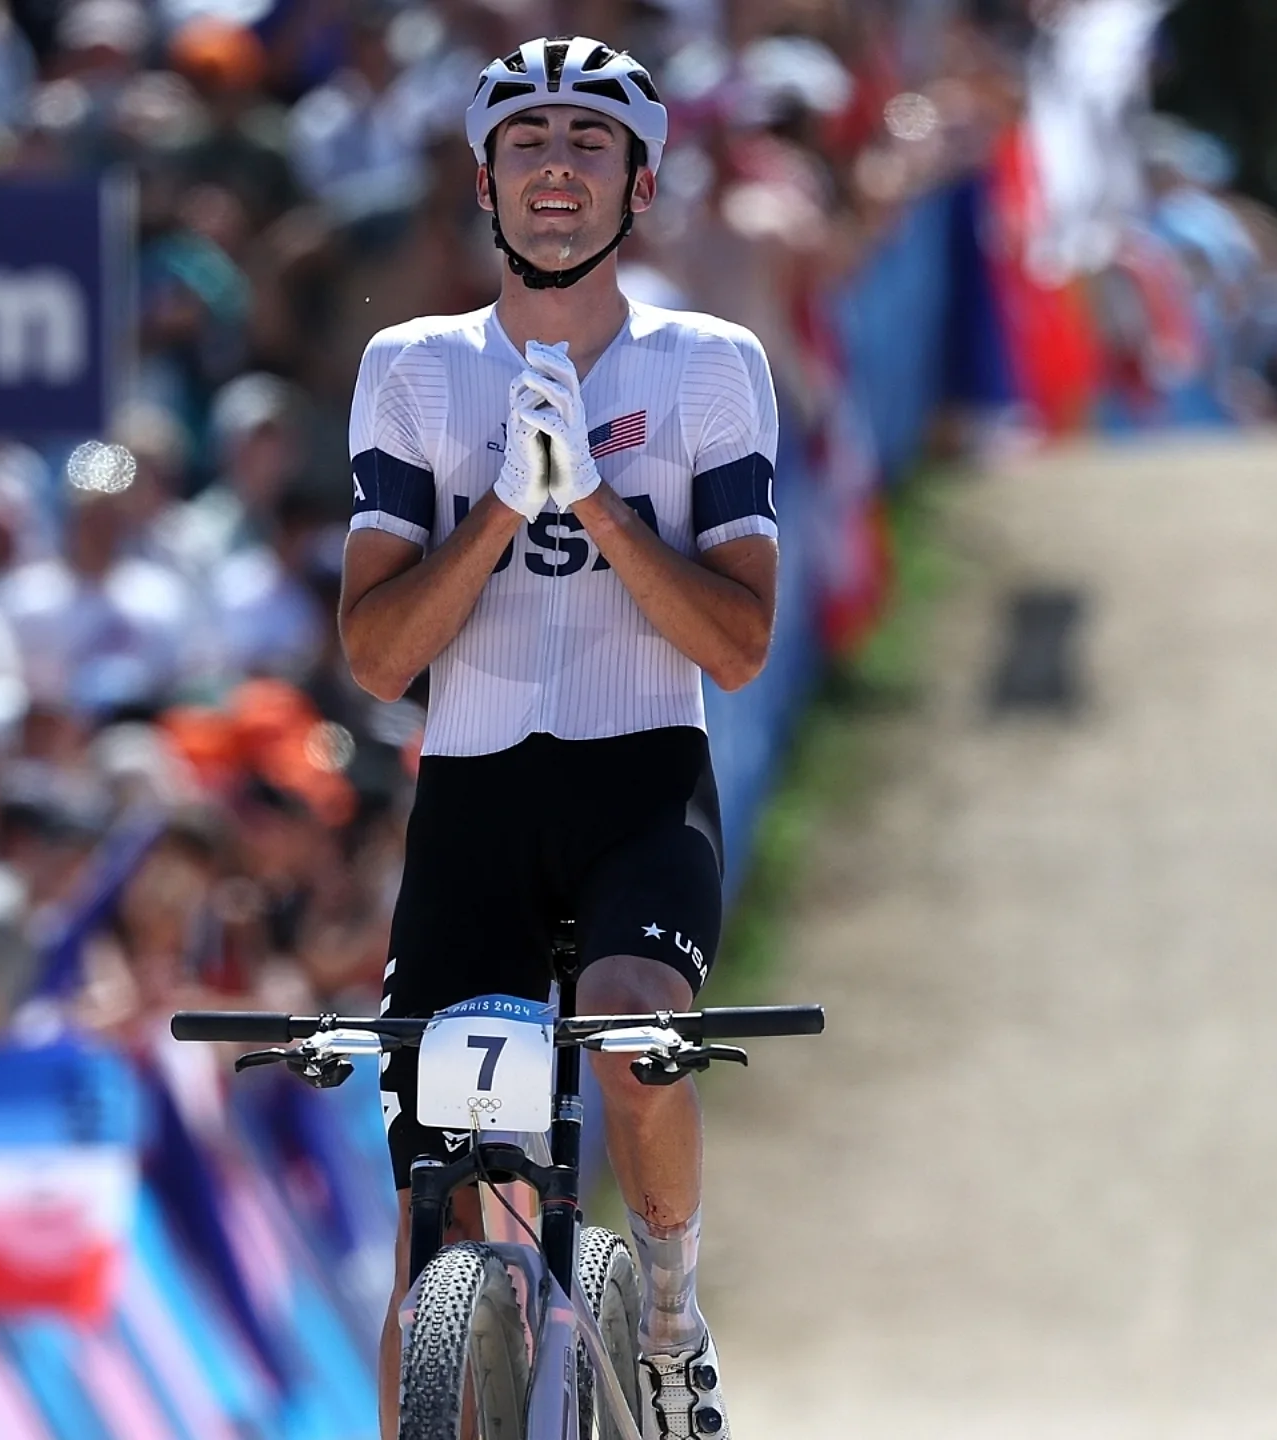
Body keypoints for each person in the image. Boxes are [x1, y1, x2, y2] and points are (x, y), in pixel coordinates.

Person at [338, 34, 779, 1440]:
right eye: (527, 143)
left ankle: (664, 1311)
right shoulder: (412, 368)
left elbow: (737, 644)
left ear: (638, 184)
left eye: (591, 145)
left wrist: (593, 502)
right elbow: (377, 654)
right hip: (470, 796)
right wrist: (498, 509)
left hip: (643, 781)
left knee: (640, 1030)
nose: (556, 170)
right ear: (483, 178)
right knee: (444, 1206)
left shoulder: (710, 367)